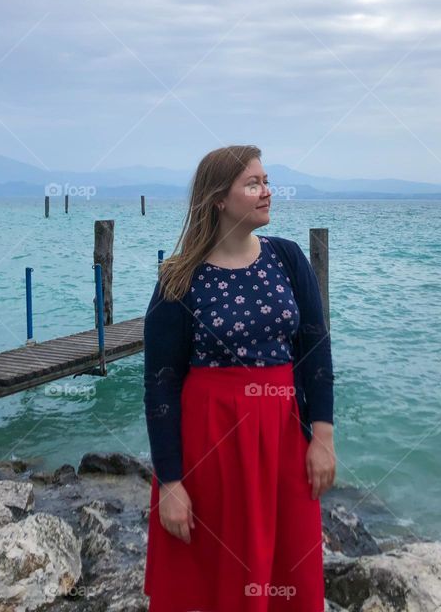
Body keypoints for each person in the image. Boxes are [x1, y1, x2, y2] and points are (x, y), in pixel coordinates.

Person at [143, 144, 336, 611]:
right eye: (253, 184)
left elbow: (315, 351)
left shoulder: (288, 259)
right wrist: (170, 482)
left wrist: (323, 438)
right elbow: (161, 383)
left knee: (289, 563)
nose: (267, 192)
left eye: (266, 181)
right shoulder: (179, 278)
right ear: (218, 200)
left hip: (284, 436)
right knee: (213, 576)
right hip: (210, 445)